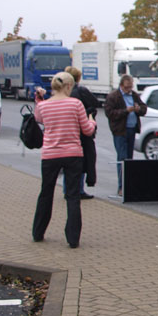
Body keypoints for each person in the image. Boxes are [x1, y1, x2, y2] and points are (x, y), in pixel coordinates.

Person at [31, 71, 97, 248]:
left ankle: (38, 232)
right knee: (73, 196)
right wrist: (92, 121)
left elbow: (38, 118)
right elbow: (87, 130)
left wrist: (39, 99)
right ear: (68, 86)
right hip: (73, 154)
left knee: (46, 192)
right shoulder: (76, 104)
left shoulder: (44, 106)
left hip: (50, 155)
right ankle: (73, 238)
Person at [103, 74, 146, 196]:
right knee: (122, 158)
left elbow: (144, 108)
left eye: (131, 87)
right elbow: (110, 113)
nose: (129, 90)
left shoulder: (134, 95)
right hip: (120, 131)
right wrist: (125, 111)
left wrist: (138, 109)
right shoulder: (113, 96)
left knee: (129, 159)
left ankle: (129, 186)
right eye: (127, 87)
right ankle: (121, 187)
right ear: (121, 85)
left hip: (132, 129)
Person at [64, 66, 100, 199]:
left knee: (69, 163)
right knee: (82, 161)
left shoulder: (63, 93)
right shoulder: (80, 91)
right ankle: (78, 190)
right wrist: (89, 113)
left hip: (68, 132)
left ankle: (67, 189)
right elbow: (95, 103)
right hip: (82, 131)